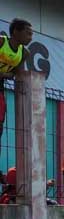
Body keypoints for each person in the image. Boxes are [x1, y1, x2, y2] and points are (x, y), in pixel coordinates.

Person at [0, 18, 33, 150]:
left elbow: (16, 74)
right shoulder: (2, 41)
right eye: (27, 33)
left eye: (32, 34)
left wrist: (4, 75)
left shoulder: (24, 53)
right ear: (15, 32)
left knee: (0, 125)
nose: (30, 37)